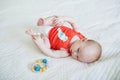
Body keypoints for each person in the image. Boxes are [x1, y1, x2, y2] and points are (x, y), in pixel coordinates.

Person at [26, 15, 102, 63]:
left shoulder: (66, 52)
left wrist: (40, 45)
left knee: (46, 46)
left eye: (77, 57)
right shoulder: (79, 35)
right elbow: (74, 22)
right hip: (54, 26)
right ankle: (44, 22)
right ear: (83, 40)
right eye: (78, 50)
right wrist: (64, 18)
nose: (74, 53)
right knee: (56, 19)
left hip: (46, 36)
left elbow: (52, 54)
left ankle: (36, 36)